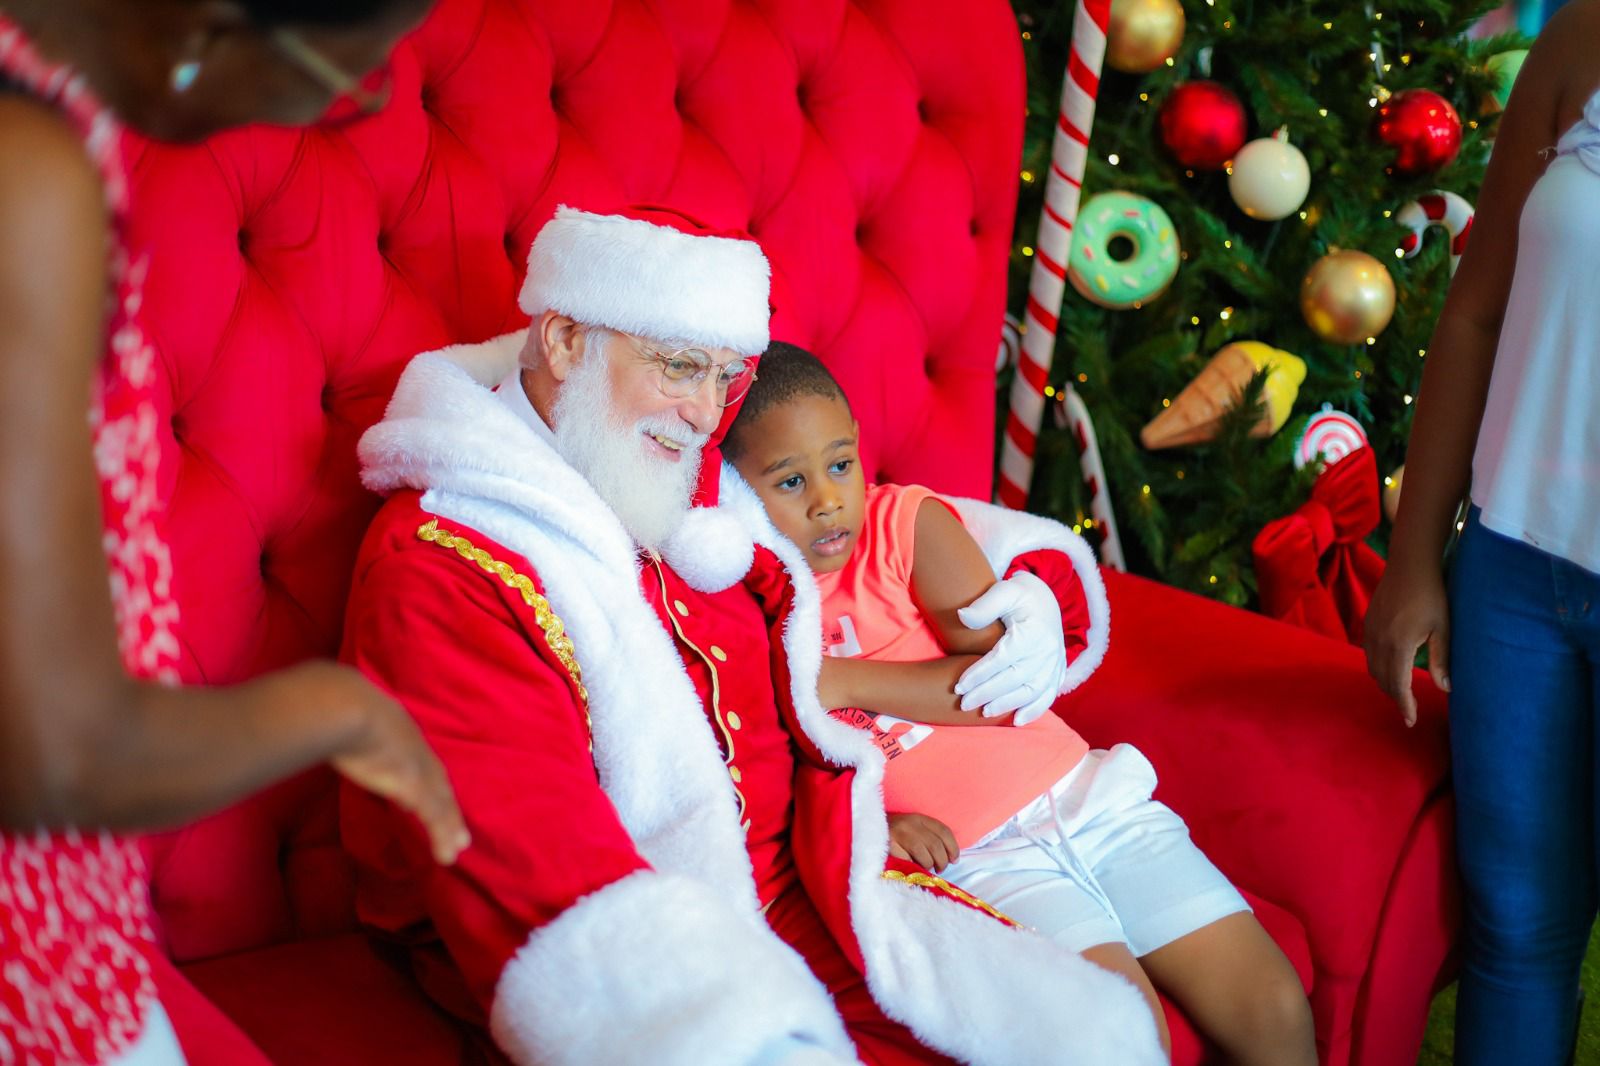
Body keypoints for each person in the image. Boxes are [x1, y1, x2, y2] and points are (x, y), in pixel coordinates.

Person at [340, 204, 1167, 1065]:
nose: (707, 414)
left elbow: (864, 508)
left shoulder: (668, 472)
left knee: (1092, 1036)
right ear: (563, 341)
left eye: (726, 375)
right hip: (656, 946)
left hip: (829, 887)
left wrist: (1026, 582)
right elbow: (528, 857)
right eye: (680, 366)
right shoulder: (445, 566)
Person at [0, 3, 468, 1063]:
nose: (358, 104)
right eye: (348, 75)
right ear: (210, 25)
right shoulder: (25, 175)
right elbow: (58, 760)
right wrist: (342, 710)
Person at [722, 342, 1317, 1066]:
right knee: (1126, 1036)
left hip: (1087, 802)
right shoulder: (752, 606)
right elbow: (785, 772)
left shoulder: (903, 524)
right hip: (980, 861)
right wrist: (876, 823)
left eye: (839, 464)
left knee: (1272, 1002)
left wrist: (842, 682)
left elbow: (998, 687)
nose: (825, 499)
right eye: (790, 481)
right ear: (734, 488)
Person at [1363, 6, 1600, 1063]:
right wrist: (1414, 557)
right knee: (1513, 930)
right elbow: (1475, 311)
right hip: (1512, 573)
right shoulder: (1583, 34)